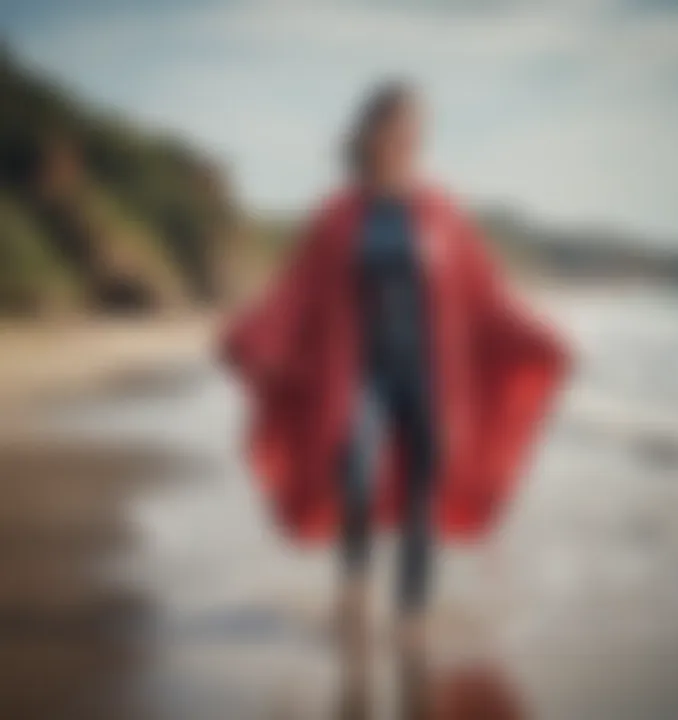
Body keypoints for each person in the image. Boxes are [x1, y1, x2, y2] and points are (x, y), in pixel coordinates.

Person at [221, 82, 567, 668]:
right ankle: (354, 587)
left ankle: (409, 615)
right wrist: (254, 334)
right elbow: (298, 288)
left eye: (419, 130)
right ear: (374, 134)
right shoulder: (338, 215)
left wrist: (539, 337)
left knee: (421, 494)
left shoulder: (442, 211)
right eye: (403, 127)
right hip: (360, 372)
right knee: (353, 470)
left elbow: (485, 293)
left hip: (429, 375)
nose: (413, 139)